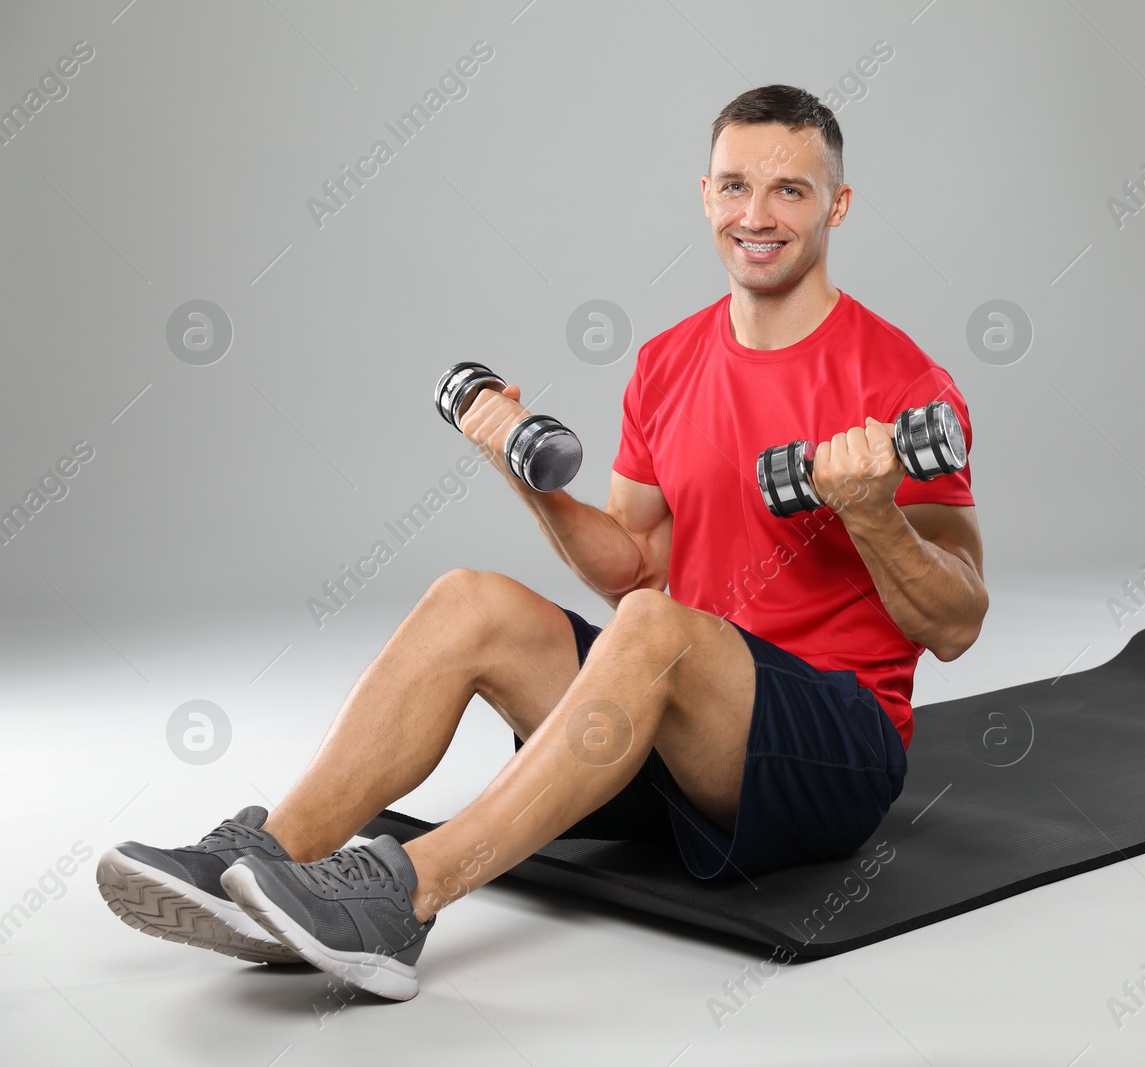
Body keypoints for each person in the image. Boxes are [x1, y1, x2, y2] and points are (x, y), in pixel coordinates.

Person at [96, 84, 987, 1001]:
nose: (755, 216)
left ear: (836, 205)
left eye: (790, 191)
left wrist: (873, 512)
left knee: (654, 625)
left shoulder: (902, 379)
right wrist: (527, 477)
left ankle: (404, 899)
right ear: (705, 195)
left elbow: (958, 622)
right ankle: (270, 861)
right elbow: (636, 565)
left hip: (833, 756)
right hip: (682, 737)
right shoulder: (669, 361)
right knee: (470, 598)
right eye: (733, 187)